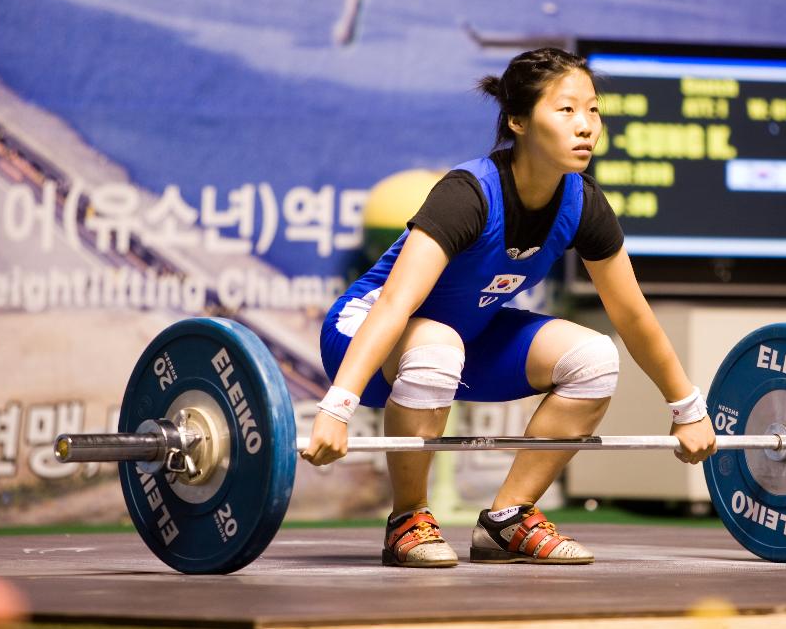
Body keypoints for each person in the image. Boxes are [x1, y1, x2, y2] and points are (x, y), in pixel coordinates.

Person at [303, 47, 716, 568]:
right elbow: (394, 305)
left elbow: (632, 316)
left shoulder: (583, 203)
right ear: (518, 121)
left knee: (593, 358)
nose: (586, 125)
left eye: (593, 110)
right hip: (362, 333)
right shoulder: (468, 193)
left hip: (460, 341)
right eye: (566, 110)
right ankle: (407, 517)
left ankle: (508, 520)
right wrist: (337, 406)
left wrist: (687, 409)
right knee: (436, 345)